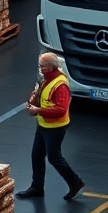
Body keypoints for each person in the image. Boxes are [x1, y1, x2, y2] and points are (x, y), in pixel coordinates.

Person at [17, 52, 85, 201]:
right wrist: (34, 100)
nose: (40, 68)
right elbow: (43, 98)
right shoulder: (45, 80)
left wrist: (38, 110)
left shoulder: (60, 85)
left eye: (42, 66)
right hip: (43, 125)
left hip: (55, 128)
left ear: (51, 67)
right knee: (37, 155)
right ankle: (37, 187)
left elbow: (61, 110)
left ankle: (75, 182)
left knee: (54, 157)